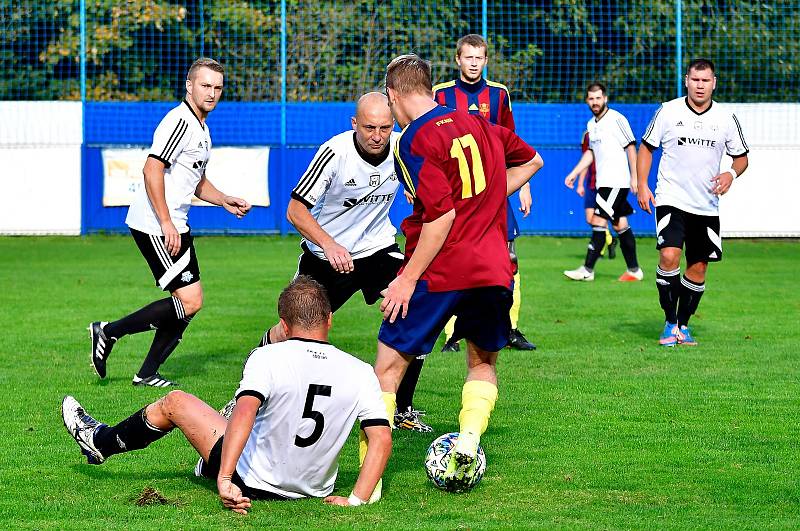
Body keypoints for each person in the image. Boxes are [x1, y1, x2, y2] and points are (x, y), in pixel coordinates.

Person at [62, 276, 392, 512]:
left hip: (250, 481)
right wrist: (356, 500)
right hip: (312, 490)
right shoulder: (361, 371)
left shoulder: (268, 356)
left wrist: (224, 478)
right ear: (330, 320)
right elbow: (380, 438)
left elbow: (245, 414)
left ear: (284, 325)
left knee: (177, 402)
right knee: (236, 411)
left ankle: (99, 441)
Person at [376, 54, 543, 488]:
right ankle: (468, 440)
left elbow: (441, 216)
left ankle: (370, 484)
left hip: (443, 268)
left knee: (387, 368)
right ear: (431, 89)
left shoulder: (411, 140)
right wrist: (488, 198)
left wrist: (406, 279)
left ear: (393, 96)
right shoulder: (481, 124)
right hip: (492, 268)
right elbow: (534, 161)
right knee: (482, 360)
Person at [87, 57, 251, 387]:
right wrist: (165, 222)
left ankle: (146, 371)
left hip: (175, 222)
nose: (212, 93)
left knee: (188, 303)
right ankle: (109, 331)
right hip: (155, 223)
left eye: (218, 87)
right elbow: (151, 169)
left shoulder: (202, 128)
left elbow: (196, 182)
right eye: (205, 85)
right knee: (190, 300)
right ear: (189, 86)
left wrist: (223, 200)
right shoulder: (180, 121)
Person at [255, 92, 403, 345]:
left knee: (412, 305)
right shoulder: (335, 153)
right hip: (326, 259)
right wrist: (329, 244)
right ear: (354, 123)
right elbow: (295, 210)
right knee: (296, 330)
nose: (377, 136)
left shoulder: (403, 148)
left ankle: (391, 385)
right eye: (369, 128)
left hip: (377, 249)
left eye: (385, 128)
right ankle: (257, 363)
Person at [431, 33, 536, 352]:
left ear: (486, 61)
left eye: (479, 58)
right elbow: (430, 140)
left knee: (508, 258)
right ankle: (452, 332)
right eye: (468, 57)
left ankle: (510, 328)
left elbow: (512, 142)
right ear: (457, 59)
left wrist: (524, 185)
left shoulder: (499, 95)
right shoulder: (441, 94)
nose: (473, 63)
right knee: (452, 258)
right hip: (455, 193)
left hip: (494, 191)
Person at [637, 58, 749, 346]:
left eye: (705, 80)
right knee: (669, 255)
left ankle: (683, 326)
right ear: (686, 80)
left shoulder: (725, 118)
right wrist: (641, 185)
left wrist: (731, 174)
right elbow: (646, 148)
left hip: (706, 205)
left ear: (714, 82)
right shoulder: (668, 111)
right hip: (671, 198)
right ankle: (669, 322)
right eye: (695, 80)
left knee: (698, 267)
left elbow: (741, 158)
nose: (700, 85)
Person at [564, 83, 643, 282]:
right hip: (603, 183)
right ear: (587, 101)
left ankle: (587, 270)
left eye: (598, 98)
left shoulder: (617, 119)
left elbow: (631, 147)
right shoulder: (592, 125)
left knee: (598, 221)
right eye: (591, 99)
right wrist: (574, 172)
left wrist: (635, 177)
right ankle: (634, 270)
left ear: (605, 98)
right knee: (620, 224)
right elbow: (591, 153)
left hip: (617, 182)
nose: (595, 102)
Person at [570, 130, 616, 259]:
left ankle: (598, 250)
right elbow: (586, 160)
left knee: (600, 219)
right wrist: (580, 183)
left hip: (606, 184)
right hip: (591, 184)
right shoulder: (588, 135)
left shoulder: (611, 132)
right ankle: (610, 240)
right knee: (590, 219)